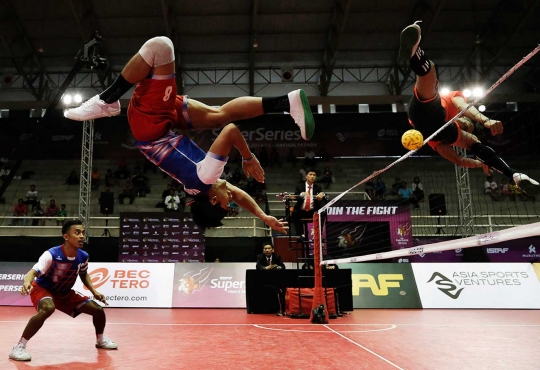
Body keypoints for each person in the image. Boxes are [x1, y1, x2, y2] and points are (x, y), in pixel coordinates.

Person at [65, 36, 313, 234]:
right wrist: (262, 215)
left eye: (229, 205)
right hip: (165, 126)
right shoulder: (200, 190)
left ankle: (107, 100)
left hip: (149, 126)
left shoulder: (208, 177)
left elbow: (232, 131)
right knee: (219, 115)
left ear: (214, 201)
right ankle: (287, 102)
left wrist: (248, 157)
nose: (232, 200)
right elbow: (237, 192)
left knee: (160, 47)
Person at [400, 21, 539, 196]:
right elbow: (464, 107)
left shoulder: (451, 133)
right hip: (428, 108)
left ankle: (515, 175)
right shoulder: (453, 99)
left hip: (425, 123)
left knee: (431, 77)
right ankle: (414, 54)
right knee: (430, 77)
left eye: (468, 127)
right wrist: (485, 120)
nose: (466, 125)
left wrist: (480, 163)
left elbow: (458, 160)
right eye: (469, 123)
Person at [8, 220, 117, 361]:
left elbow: (83, 274)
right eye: (77, 232)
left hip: (65, 292)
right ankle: (19, 347)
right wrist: (27, 283)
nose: (82, 236)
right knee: (48, 308)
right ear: (66, 236)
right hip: (43, 289)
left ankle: (100, 340)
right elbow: (33, 272)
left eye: (83, 233)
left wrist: (94, 291)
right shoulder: (51, 254)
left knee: (97, 310)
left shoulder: (83, 256)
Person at [290, 169, 327, 236]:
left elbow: (323, 193)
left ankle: (318, 232)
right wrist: (301, 194)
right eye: (310, 174)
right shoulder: (299, 186)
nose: (312, 176)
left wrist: (321, 194)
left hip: (313, 211)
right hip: (301, 211)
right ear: (306, 176)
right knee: (294, 213)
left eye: (314, 175)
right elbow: (296, 196)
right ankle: (300, 234)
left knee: (323, 212)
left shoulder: (318, 187)